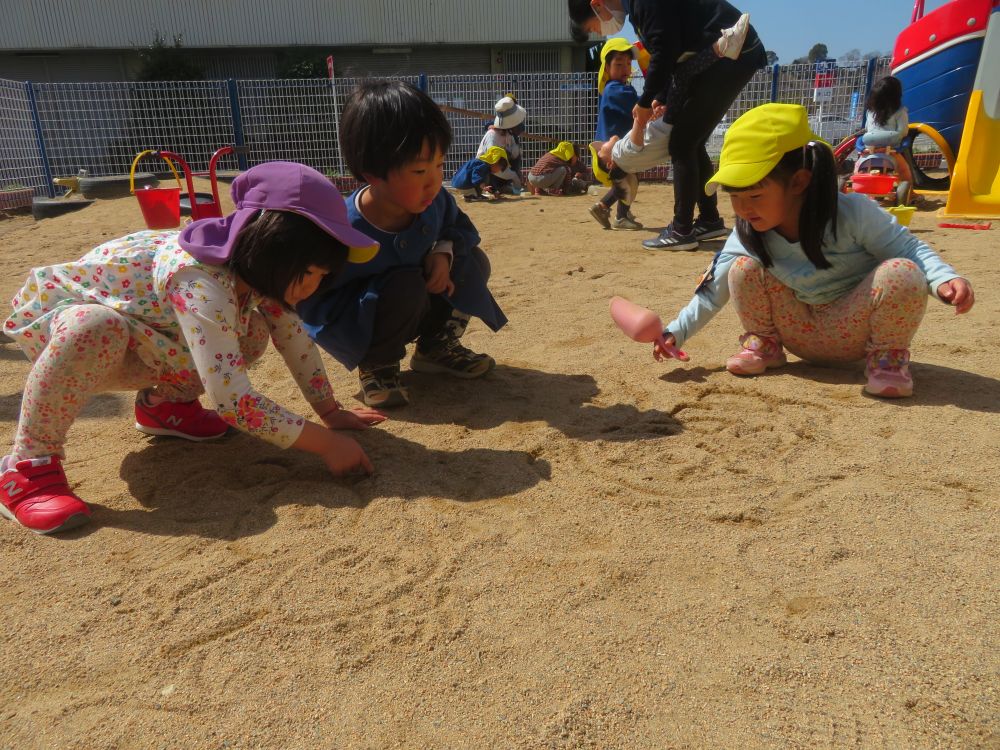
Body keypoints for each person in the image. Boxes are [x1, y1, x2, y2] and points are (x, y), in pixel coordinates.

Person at [1, 162, 388, 535]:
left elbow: (294, 338)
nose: (311, 288)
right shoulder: (198, 278)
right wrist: (326, 444)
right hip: (67, 325)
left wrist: (329, 410)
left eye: (322, 277)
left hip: (143, 332)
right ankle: (28, 468)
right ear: (274, 244)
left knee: (248, 331)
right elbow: (233, 402)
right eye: (308, 274)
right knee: (97, 326)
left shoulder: (255, 273)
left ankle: (165, 407)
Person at [649, 104, 974, 398]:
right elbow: (711, 291)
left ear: (799, 182)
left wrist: (943, 278)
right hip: (797, 333)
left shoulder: (852, 213)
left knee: (903, 271)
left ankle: (886, 363)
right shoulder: (747, 231)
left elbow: (908, 247)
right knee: (741, 267)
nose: (744, 208)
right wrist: (674, 332)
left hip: (856, 333)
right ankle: (763, 346)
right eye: (735, 197)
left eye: (755, 195)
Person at [298, 80, 507, 409]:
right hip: (370, 322)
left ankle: (435, 347)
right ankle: (377, 368)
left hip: (419, 302)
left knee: (474, 262)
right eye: (420, 170)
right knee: (405, 283)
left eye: (439, 165)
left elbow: (460, 228)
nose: (435, 180)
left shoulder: (434, 201)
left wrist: (443, 251)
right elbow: (315, 298)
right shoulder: (345, 229)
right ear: (373, 174)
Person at [569, 0, 766, 251]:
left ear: (597, 5)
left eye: (593, 26)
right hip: (730, 53)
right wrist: (658, 98)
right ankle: (709, 219)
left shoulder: (642, 4)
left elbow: (665, 51)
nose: (598, 31)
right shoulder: (637, 9)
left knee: (683, 144)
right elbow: (671, 55)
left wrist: (645, 102)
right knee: (691, 142)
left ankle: (682, 229)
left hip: (736, 54)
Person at [589, 18, 750, 231]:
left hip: (661, 134)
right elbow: (637, 119)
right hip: (663, 130)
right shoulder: (615, 92)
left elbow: (640, 123)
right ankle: (718, 48)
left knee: (627, 183)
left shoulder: (622, 149)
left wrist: (650, 109)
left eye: (628, 63)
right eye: (619, 64)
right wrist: (644, 112)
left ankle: (616, 212)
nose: (626, 68)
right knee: (681, 76)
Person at [477, 95, 527, 192]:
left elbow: (515, 154)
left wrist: (517, 174)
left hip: (501, 168)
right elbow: (493, 163)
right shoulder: (493, 136)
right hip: (488, 169)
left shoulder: (509, 134)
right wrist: (513, 176)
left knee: (511, 155)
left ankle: (506, 185)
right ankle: (494, 187)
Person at [451, 146, 518, 201]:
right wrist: (482, 185)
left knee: (485, 179)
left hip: (459, 182)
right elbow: (476, 174)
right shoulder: (483, 165)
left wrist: (494, 192)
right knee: (483, 179)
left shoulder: (484, 164)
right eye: (500, 167)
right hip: (463, 184)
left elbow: (490, 183)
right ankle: (472, 195)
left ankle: (471, 194)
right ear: (494, 162)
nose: (499, 170)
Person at [861, 75, 909, 150]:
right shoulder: (900, 112)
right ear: (896, 96)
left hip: (870, 150)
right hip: (891, 151)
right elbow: (903, 132)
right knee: (903, 160)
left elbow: (867, 128)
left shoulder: (870, 111)